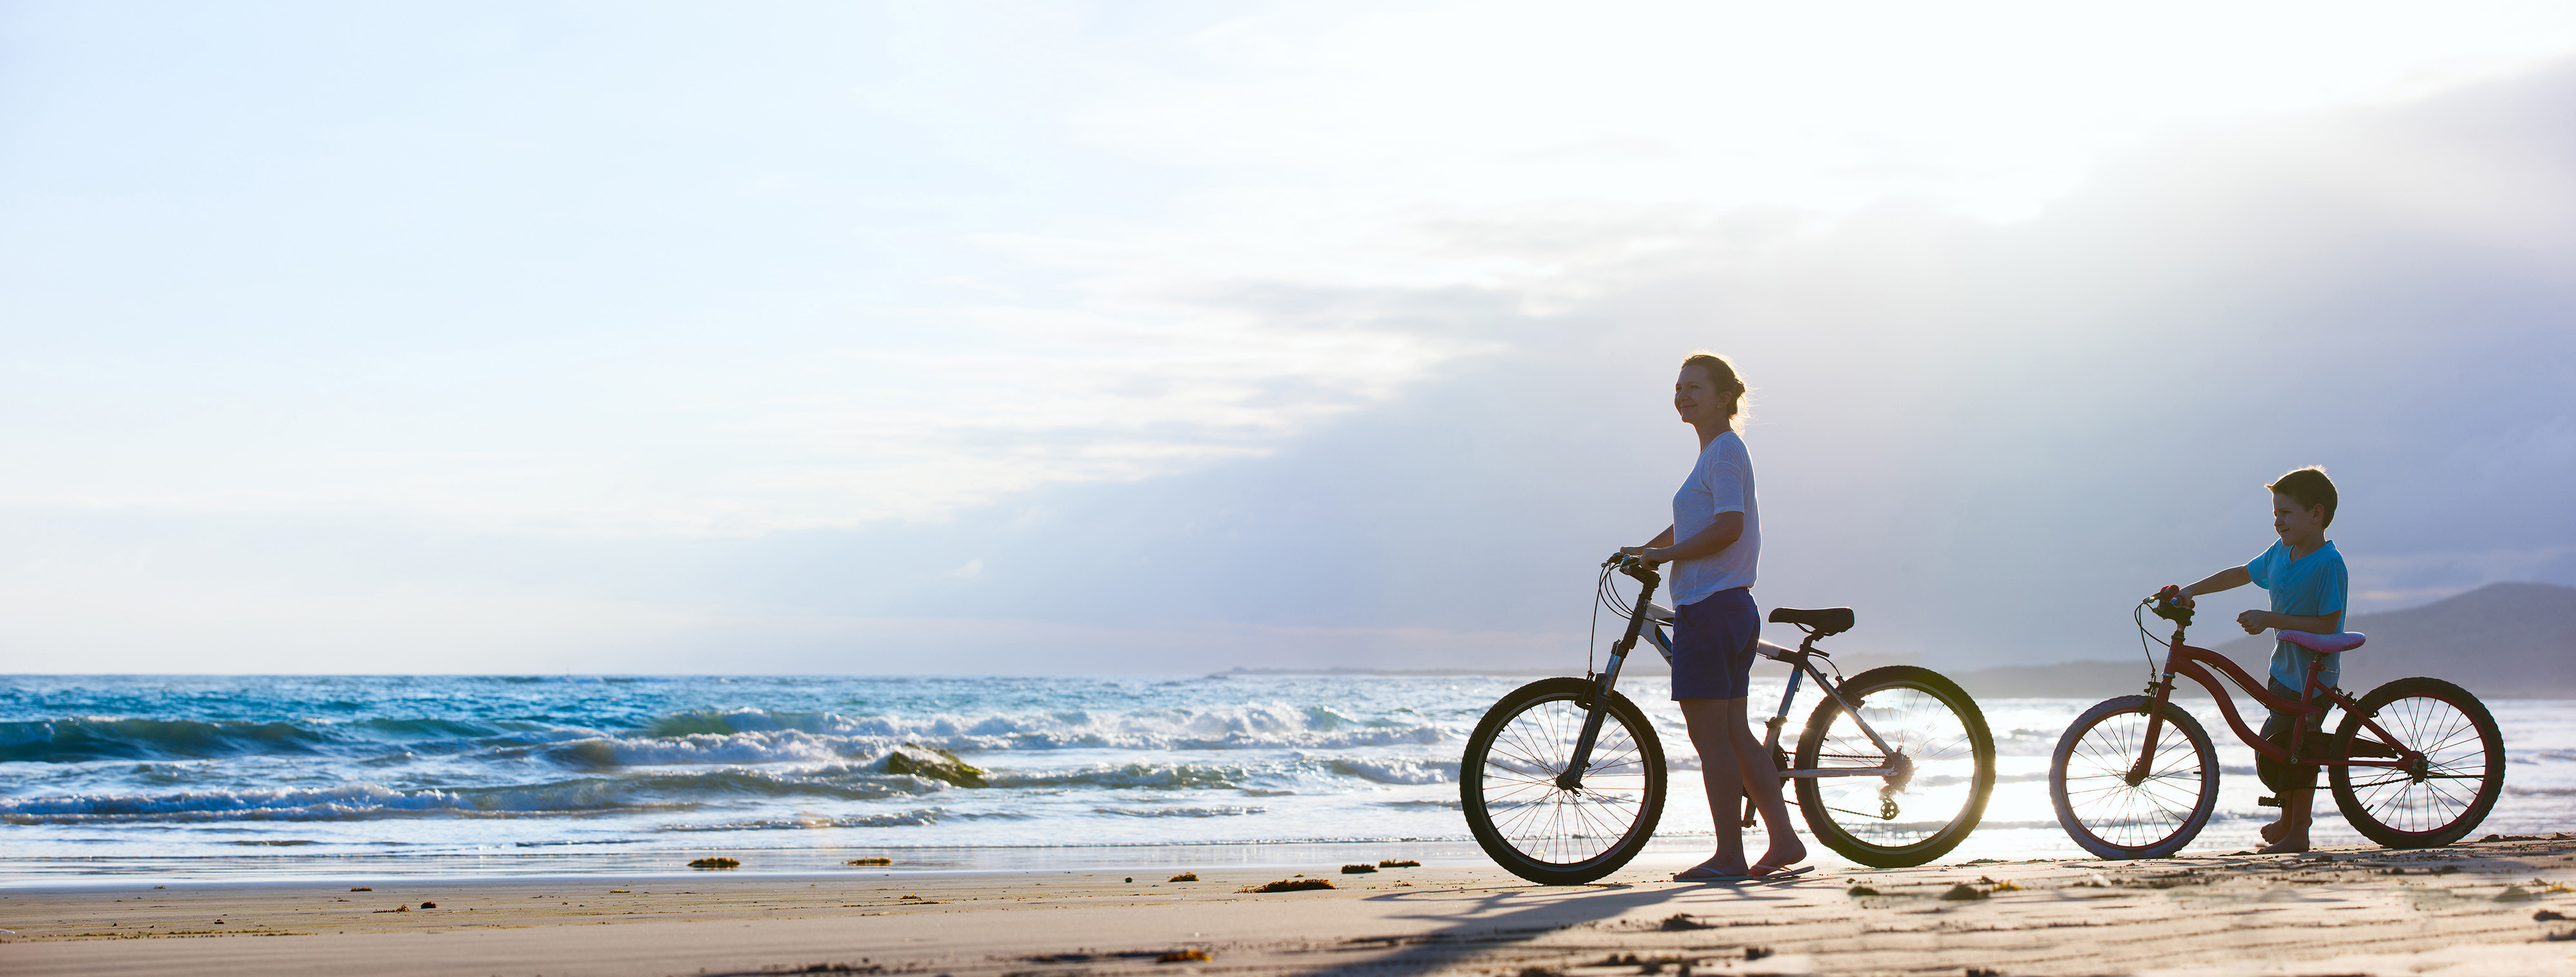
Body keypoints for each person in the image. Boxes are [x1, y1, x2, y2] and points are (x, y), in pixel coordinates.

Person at [1621, 352, 1807, 881]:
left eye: (1695, 387)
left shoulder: (1723, 452)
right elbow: (1693, 525)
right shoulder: (1716, 454)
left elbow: (1728, 526)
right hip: (1727, 607)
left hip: (1712, 608)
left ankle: (1730, 855)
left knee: (1713, 741)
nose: (1683, 395)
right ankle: (1786, 840)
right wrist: (1646, 548)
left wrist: (1665, 557)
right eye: (1678, 387)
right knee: (1736, 736)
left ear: (1724, 397)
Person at [2155, 466, 2349, 855]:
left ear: (2317, 513)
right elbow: (2242, 574)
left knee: (2300, 751)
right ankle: (2287, 819)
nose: (2278, 522)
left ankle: (2299, 830)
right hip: (2285, 668)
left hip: (2316, 672)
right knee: (2280, 743)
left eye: (2287, 513)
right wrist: (2191, 590)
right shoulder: (2281, 553)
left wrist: (2269, 619)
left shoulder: (2329, 563)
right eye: (2275, 514)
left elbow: (2329, 624)